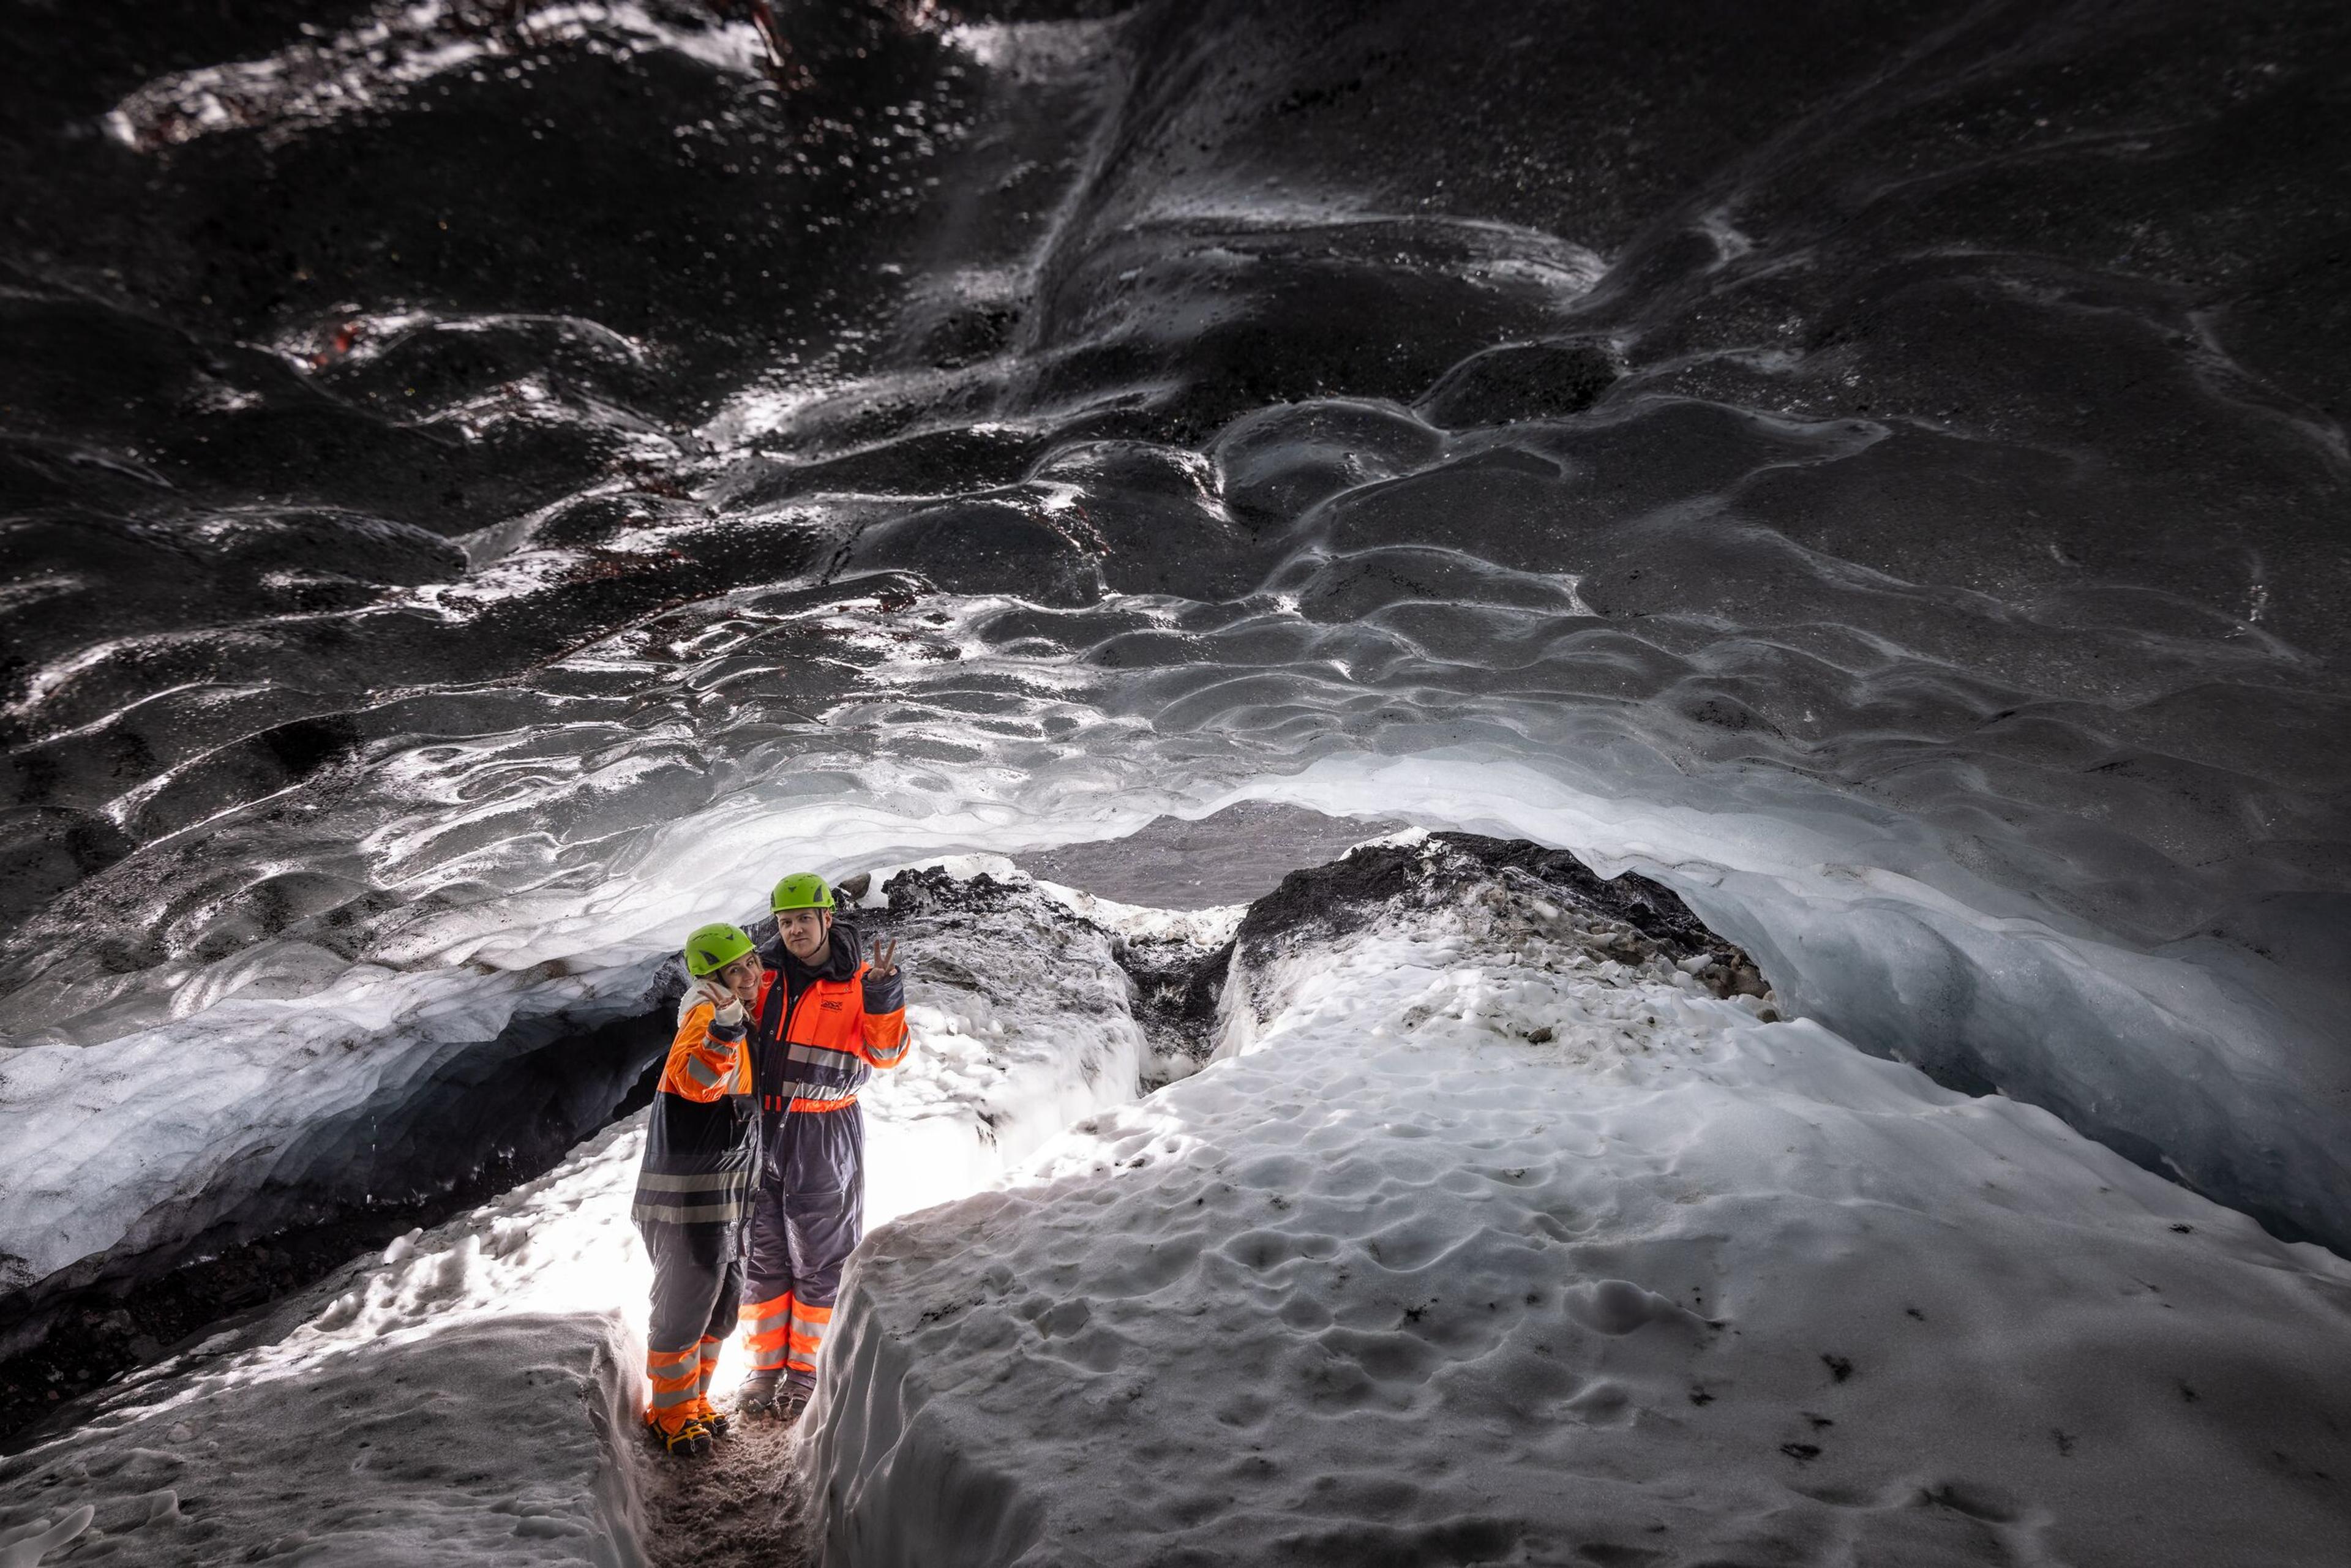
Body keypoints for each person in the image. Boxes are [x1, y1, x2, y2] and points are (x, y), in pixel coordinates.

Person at [737, 872, 907, 1422]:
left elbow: (888, 1054)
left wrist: (883, 993)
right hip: (761, 1130)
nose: (794, 930)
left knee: (821, 1251)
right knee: (761, 1251)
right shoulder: (763, 977)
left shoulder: (859, 980)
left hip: (824, 1130)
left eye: (804, 919)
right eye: (785, 922)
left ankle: (809, 1369)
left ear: (827, 919)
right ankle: (765, 1367)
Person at [631, 922, 763, 1458]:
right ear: (713, 977)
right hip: (688, 1201)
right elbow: (694, 1080)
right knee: (685, 1307)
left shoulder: (730, 1008)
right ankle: (668, 1412)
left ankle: (695, 1401)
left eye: (752, 961)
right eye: (737, 969)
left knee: (722, 1304)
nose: (750, 973)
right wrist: (723, 1035)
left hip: (722, 1196)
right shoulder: (705, 1013)